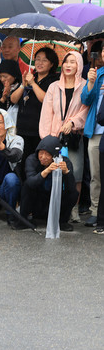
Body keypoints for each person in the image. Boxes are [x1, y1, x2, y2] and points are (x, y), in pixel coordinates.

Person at [39, 50, 89, 222]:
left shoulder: (85, 86)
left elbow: (86, 110)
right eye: (66, 61)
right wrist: (47, 138)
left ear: (79, 65)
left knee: (76, 174)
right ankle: (55, 208)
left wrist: (73, 122)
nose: (68, 65)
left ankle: (73, 209)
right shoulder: (54, 87)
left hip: (73, 137)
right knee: (54, 172)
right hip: (54, 137)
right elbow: (46, 114)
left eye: (73, 62)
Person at [11, 48, 59, 164]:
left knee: (36, 163)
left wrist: (32, 84)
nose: (40, 63)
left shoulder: (54, 81)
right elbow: (13, 99)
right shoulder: (30, 77)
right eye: (37, 59)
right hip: (22, 128)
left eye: (44, 60)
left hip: (39, 131)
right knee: (21, 163)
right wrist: (23, 85)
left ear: (52, 64)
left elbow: (46, 99)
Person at [20, 135, 77, 231]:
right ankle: (23, 220)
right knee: (27, 185)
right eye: (41, 153)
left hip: (54, 201)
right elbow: (31, 182)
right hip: (37, 202)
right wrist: (46, 171)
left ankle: (62, 222)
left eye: (47, 154)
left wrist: (66, 172)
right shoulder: (32, 159)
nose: (43, 157)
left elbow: (71, 188)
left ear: (54, 155)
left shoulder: (65, 162)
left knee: (73, 194)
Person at [81, 45, 104, 226]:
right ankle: (96, 210)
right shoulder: (98, 73)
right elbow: (85, 100)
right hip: (96, 131)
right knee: (96, 174)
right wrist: (90, 82)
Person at [0, 59, 22, 125]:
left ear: (14, 76)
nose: (2, 79)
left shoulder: (21, 88)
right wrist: (3, 98)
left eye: (5, 76)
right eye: (0, 76)